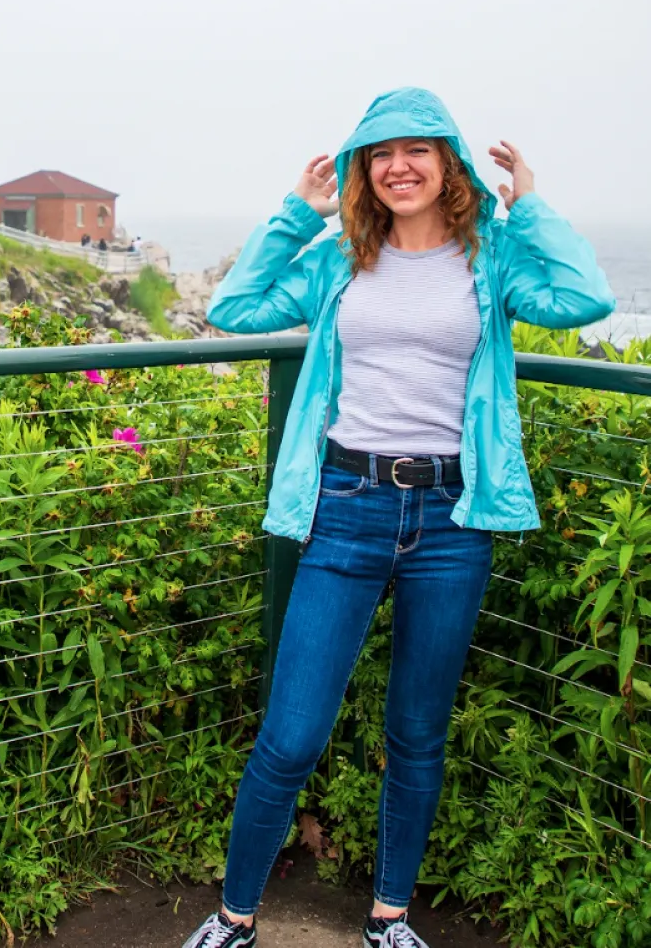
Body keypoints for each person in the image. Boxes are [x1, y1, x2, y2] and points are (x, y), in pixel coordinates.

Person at [181, 87, 614, 948]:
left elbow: (583, 299)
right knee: (290, 734)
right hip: (347, 508)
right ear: (361, 170)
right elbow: (232, 310)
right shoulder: (339, 259)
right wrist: (290, 214)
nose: (399, 166)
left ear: (447, 164)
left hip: (454, 519)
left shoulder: (488, 261)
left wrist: (529, 206)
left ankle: (389, 917)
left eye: (417, 150)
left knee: (417, 732)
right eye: (380, 153)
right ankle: (233, 916)